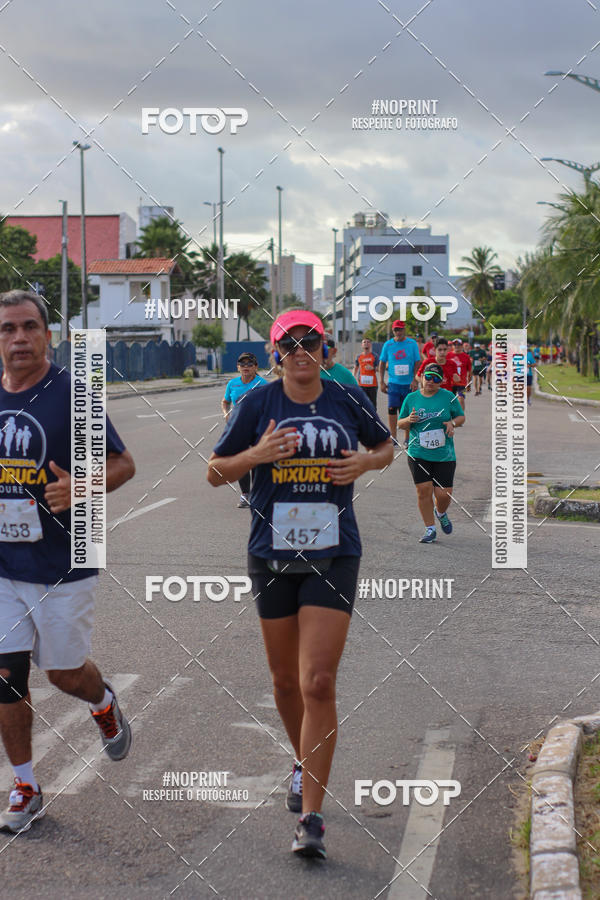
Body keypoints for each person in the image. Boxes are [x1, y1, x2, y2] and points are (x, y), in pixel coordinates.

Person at [207, 308, 393, 859]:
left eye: (310, 341)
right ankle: (303, 761)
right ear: (276, 353)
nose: (301, 351)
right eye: (290, 343)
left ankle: (311, 817)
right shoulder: (256, 403)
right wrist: (255, 456)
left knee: (317, 682)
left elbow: (386, 448)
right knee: (285, 683)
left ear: (326, 347)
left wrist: (364, 463)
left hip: (335, 553)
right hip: (270, 554)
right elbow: (215, 471)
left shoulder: (347, 397)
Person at [0, 290, 135, 834]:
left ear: (48, 335)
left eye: (29, 327)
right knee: (6, 678)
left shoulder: (71, 395)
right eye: (8, 329)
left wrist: (82, 486)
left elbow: (123, 464)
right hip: (4, 565)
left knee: (62, 674)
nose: (19, 339)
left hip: (66, 560)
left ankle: (102, 701)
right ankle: (26, 785)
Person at [398, 362, 465, 543]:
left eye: (436, 379)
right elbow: (400, 423)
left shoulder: (448, 397)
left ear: (441, 381)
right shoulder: (411, 398)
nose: (431, 381)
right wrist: (408, 419)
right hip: (418, 452)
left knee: (443, 495)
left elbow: (461, 416)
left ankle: (440, 512)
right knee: (424, 490)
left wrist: (453, 423)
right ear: (422, 377)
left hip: (444, 454)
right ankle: (430, 529)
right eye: (428, 376)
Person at [221, 352, 267, 507]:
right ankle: (245, 494)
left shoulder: (263, 384)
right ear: (237, 367)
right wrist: (227, 415)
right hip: (239, 427)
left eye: (249, 364)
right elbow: (225, 402)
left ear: (256, 367)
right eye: (242, 364)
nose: (245, 367)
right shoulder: (232, 384)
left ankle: (259, 493)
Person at [378, 321, 421, 441]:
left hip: (408, 384)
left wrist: (415, 380)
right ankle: (393, 437)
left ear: (404, 330)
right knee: (392, 409)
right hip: (393, 383)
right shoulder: (388, 345)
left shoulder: (412, 343)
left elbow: (417, 362)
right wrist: (381, 381)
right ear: (393, 331)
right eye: (396, 330)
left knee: (407, 411)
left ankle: (407, 438)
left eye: (400, 329)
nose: (398, 332)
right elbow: (381, 363)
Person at [353, 337, 379, 407]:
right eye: (364, 342)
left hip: (372, 385)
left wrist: (373, 368)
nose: (366, 344)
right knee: (362, 404)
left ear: (370, 344)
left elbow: (379, 368)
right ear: (362, 345)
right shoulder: (359, 356)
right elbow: (355, 367)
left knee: (372, 405)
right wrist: (353, 377)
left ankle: (372, 417)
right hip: (361, 384)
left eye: (368, 342)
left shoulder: (375, 356)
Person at [448, 338, 472, 410]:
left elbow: (470, 372)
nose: (456, 346)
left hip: (462, 383)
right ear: (452, 346)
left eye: (458, 344)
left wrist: (469, 384)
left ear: (461, 346)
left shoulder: (466, 357)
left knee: (461, 399)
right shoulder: (448, 355)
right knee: (449, 401)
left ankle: (461, 417)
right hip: (450, 383)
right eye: (454, 344)